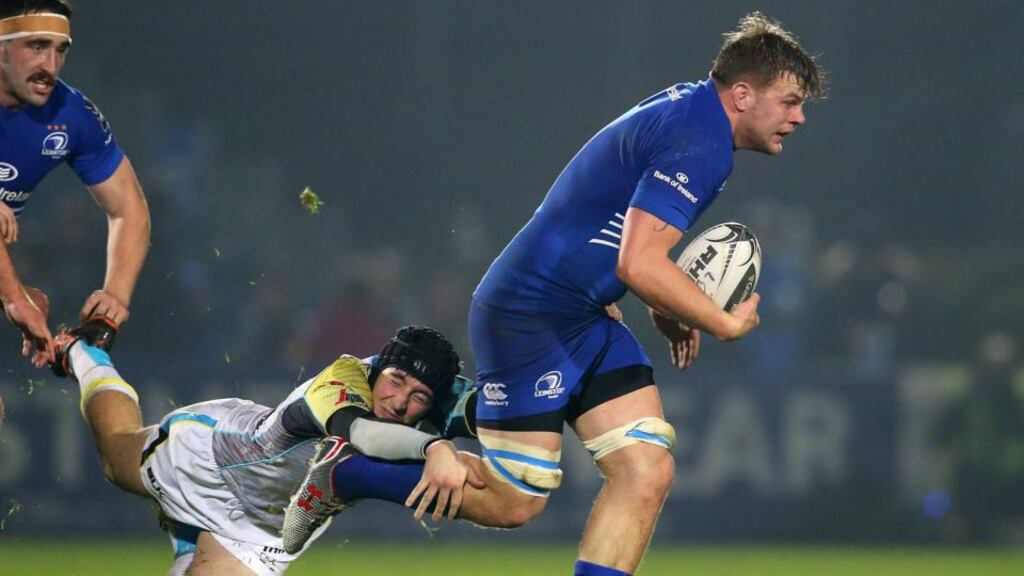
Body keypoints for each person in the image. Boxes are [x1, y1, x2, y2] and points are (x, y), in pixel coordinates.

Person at [282, 11, 827, 576]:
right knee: (516, 500)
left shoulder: (693, 115)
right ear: (743, 95)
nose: (799, 117)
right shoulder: (702, 142)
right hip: (532, 312)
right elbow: (638, 261)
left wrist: (665, 304)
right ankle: (347, 474)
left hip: (583, 312)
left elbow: (616, 225)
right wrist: (722, 322)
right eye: (789, 102)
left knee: (645, 469)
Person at [52, 318, 475, 576]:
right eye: (395, 381)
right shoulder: (344, 378)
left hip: (265, 528)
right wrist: (435, 448)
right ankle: (84, 353)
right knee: (116, 455)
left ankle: (190, 541)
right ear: (380, 368)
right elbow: (360, 434)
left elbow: (498, 412)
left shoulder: (428, 393)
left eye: (418, 396)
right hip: (211, 461)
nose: (399, 402)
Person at [0, 0, 150, 368]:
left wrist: (114, 298)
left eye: (60, 50)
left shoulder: (71, 114)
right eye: (37, 47)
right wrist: (14, 295)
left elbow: (128, 208)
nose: (50, 67)